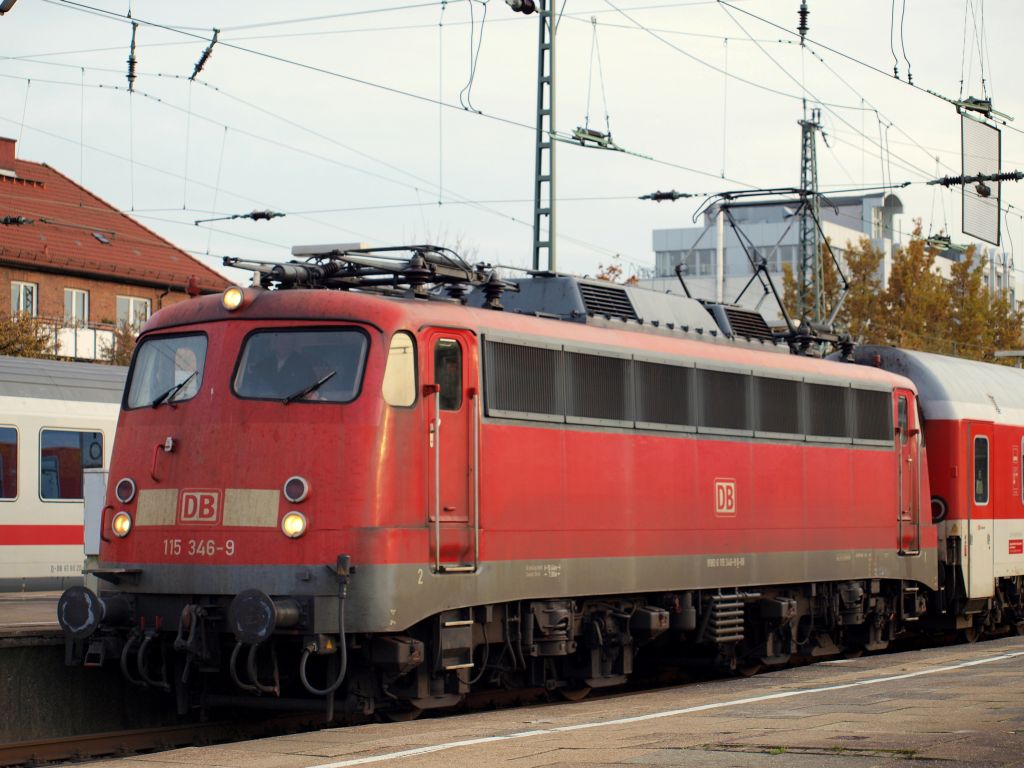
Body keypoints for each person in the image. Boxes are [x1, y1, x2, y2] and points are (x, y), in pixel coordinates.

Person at [249, 333, 316, 398]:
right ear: (275, 343)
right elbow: (250, 388)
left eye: (288, 342)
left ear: (293, 345)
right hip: (264, 404)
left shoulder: (303, 365)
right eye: (281, 341)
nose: (284, 344)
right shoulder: (263, 364)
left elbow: (311, 388)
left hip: (292, 404)